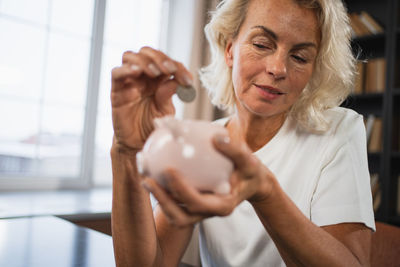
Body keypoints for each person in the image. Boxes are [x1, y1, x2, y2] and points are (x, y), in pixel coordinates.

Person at [110, 0, 375, 266]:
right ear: (229, 50)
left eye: (299, 57)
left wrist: (265, 192)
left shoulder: (338, 131)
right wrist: (126, 151)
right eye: (261, 44)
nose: (278, 68)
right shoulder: (203, 145)